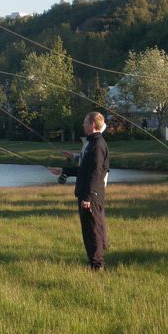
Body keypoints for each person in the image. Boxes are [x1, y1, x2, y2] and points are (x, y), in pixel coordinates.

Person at [52, 112, 110, 271]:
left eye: (85, 122)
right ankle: (94, 262)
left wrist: (88, 197)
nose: (83, 125)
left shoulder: (97, 145)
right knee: (89, 229)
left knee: (93, 230)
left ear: (92, 124)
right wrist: (64, 170)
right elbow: (83, 170)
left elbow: (95, 174)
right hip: (87, 194)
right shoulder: (92, 143)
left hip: (91, 196)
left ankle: (97, 265)